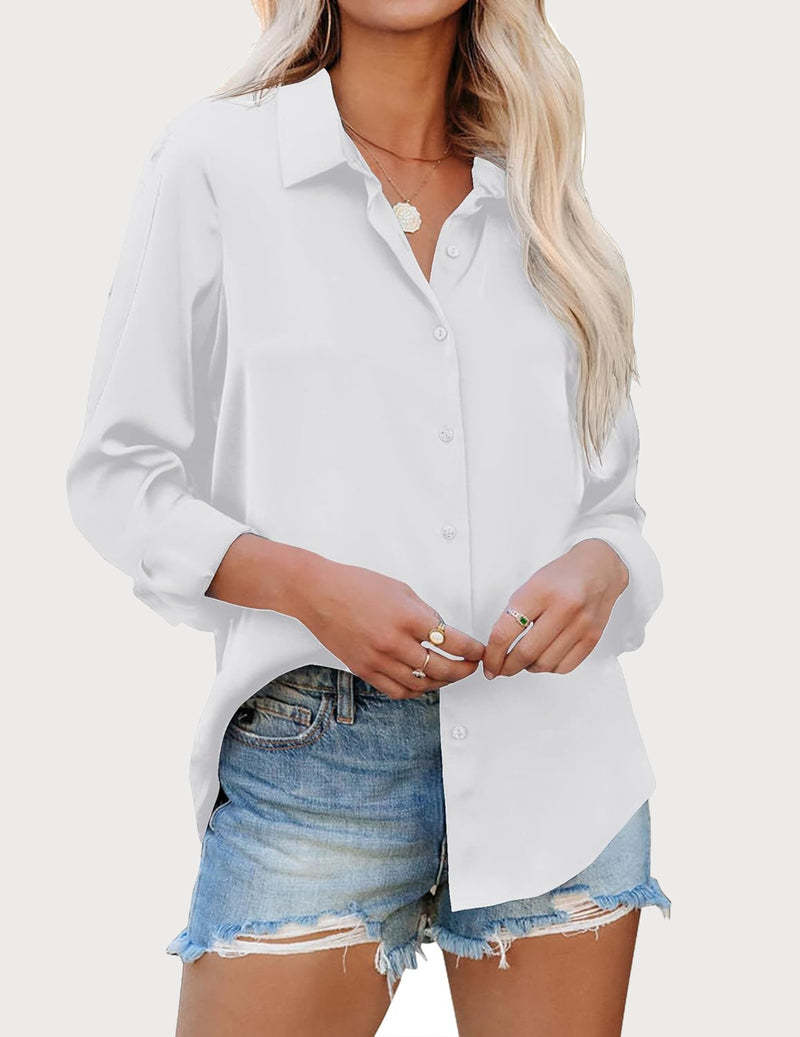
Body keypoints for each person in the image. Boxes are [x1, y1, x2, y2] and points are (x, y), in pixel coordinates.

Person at [66, 1, 671, 1033]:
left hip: (558, 762)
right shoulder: (217, 162)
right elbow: (117, 475)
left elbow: (614, 513)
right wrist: (309, 588)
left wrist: (599, 568)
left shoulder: (536, 187)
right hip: (316, 765)